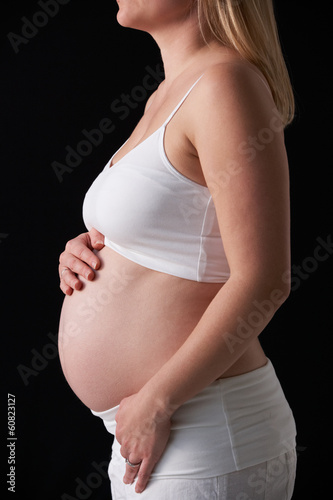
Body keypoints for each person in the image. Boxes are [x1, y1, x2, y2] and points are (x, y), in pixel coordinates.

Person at [57, 1, 297, 498]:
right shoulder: (169, 93)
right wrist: (91, 250)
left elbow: (265, 277)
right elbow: (171, 232)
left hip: (202, 428)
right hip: (152, 436)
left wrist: (160, 400)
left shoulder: (225, 84)